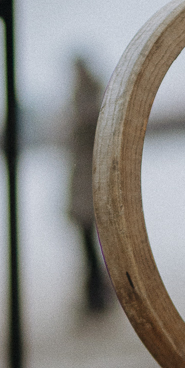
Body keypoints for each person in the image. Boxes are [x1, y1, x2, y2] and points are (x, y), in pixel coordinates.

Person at [65, 53, 109, 315]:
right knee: (89, 248)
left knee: (91, 248)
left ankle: (96, 298)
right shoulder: (87, 100)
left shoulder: (88, 104)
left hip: (87, 189)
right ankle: (95, 297)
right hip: (84, 188)